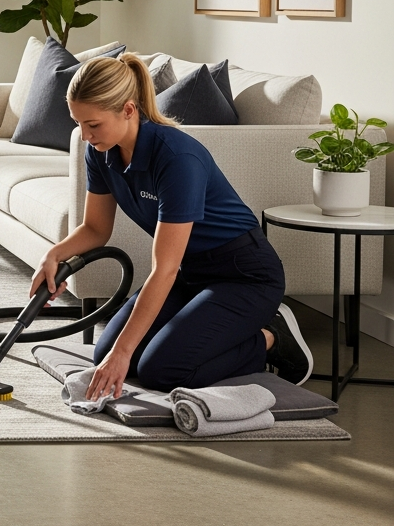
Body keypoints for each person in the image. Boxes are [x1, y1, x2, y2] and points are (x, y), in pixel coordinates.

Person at [30, 54, 313, 400]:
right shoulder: (101, 151)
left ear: (129, 110)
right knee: (107, 353)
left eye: (93, 124)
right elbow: (95, 228)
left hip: (244, 275)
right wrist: (54, 255)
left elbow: (163, 270)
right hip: (190, 273)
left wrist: (124, 354)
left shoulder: (177, 158)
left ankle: (271, 339)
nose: (85, 136)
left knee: (161, 369)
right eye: (79, 124)